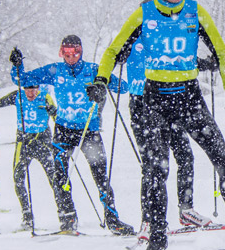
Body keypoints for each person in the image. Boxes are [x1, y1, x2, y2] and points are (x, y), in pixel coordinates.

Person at [95, 0, 225, 250]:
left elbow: (221, 52)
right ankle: (158, 235)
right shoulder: (144, 14)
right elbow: (112, 50)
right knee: (157, 169)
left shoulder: (196, 12)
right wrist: (100, 80)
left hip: (188, 97)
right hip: (153, 100)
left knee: (221, 158)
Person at [11, 35, 135, 235]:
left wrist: (101, 86)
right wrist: (17, 65)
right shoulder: (55, 71)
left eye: (75, 53)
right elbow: (22, 79)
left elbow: (122, 87)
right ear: (62, 53)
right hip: (64, 129)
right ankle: (68, 218)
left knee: (100, 175)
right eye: (66, 53)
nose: (71, 57)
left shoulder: (93, 70)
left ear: (81, 52)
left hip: (88, 129)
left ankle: (113, 220)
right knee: (60, 176)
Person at [123, 6, 216, 243]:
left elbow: (179, 60)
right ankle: (148, 221)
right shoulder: (132, 43)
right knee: (152, 166)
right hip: (142, 105)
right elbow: (112, 55)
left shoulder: (161, 40)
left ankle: (186, 210)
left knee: (185, 156)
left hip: (169, 101)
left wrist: (205, 63)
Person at [0, 75, 63, 230]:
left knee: (54, 179)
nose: (31, 93)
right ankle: (27, 217)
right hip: (24, 143)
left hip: (42, 142)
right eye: (28, 89)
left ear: (38, 88)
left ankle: (64, 215)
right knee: (18, 178)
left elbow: (58, 119)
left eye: (34, 89)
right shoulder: (17, 96)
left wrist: (53, 111)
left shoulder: (46, 97)